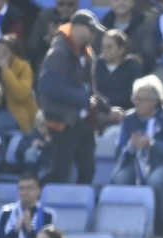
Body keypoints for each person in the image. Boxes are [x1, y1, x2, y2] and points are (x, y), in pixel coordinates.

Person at [108, 75, 163, 238]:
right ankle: (126, 226)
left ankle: (162, 224)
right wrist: (132, 146)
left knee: (154, 182)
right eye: (135, 98)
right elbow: (118, 151)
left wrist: (152, 144)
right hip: (135, 164)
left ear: (155, 101)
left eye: (143, 99)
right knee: (119, 179)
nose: (137, 103)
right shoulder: (129, 119)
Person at [35, 9, 103, 186]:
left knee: (88, 169)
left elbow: (89, 90)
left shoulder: (86, 55)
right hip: (63, 122)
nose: (94, 34)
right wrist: (82, 98)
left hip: (82, 122)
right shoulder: (59, 52)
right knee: (60, 172)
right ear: (77, 27)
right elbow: (49, 86)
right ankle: (33, 198)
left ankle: (80, 205)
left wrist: (108, 109)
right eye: (91, 29)